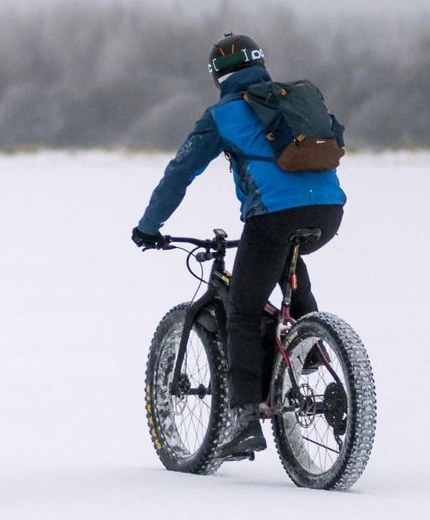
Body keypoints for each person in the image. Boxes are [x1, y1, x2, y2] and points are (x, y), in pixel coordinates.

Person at [130, 33, 346, 460]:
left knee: (242, 308)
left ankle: (245, 419)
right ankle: (311, 349)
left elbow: (180, 173)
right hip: (329, 212)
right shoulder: (294, 99)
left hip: (271, 218)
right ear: (260, 63)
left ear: (217, 75)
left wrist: (149, 226)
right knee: (288, 269)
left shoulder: (223, 115)